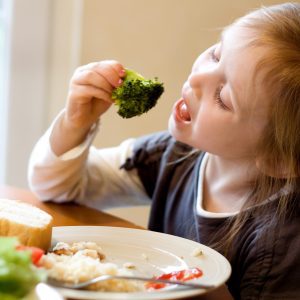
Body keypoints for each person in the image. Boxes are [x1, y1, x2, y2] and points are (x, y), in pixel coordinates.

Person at [28, 2, 300, 299]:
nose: (195, 79)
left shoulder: (283, 244)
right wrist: (74, 122)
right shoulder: (174, 155)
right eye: (215, 54)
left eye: (223, 97)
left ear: (277, 159)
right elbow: (58, 187)